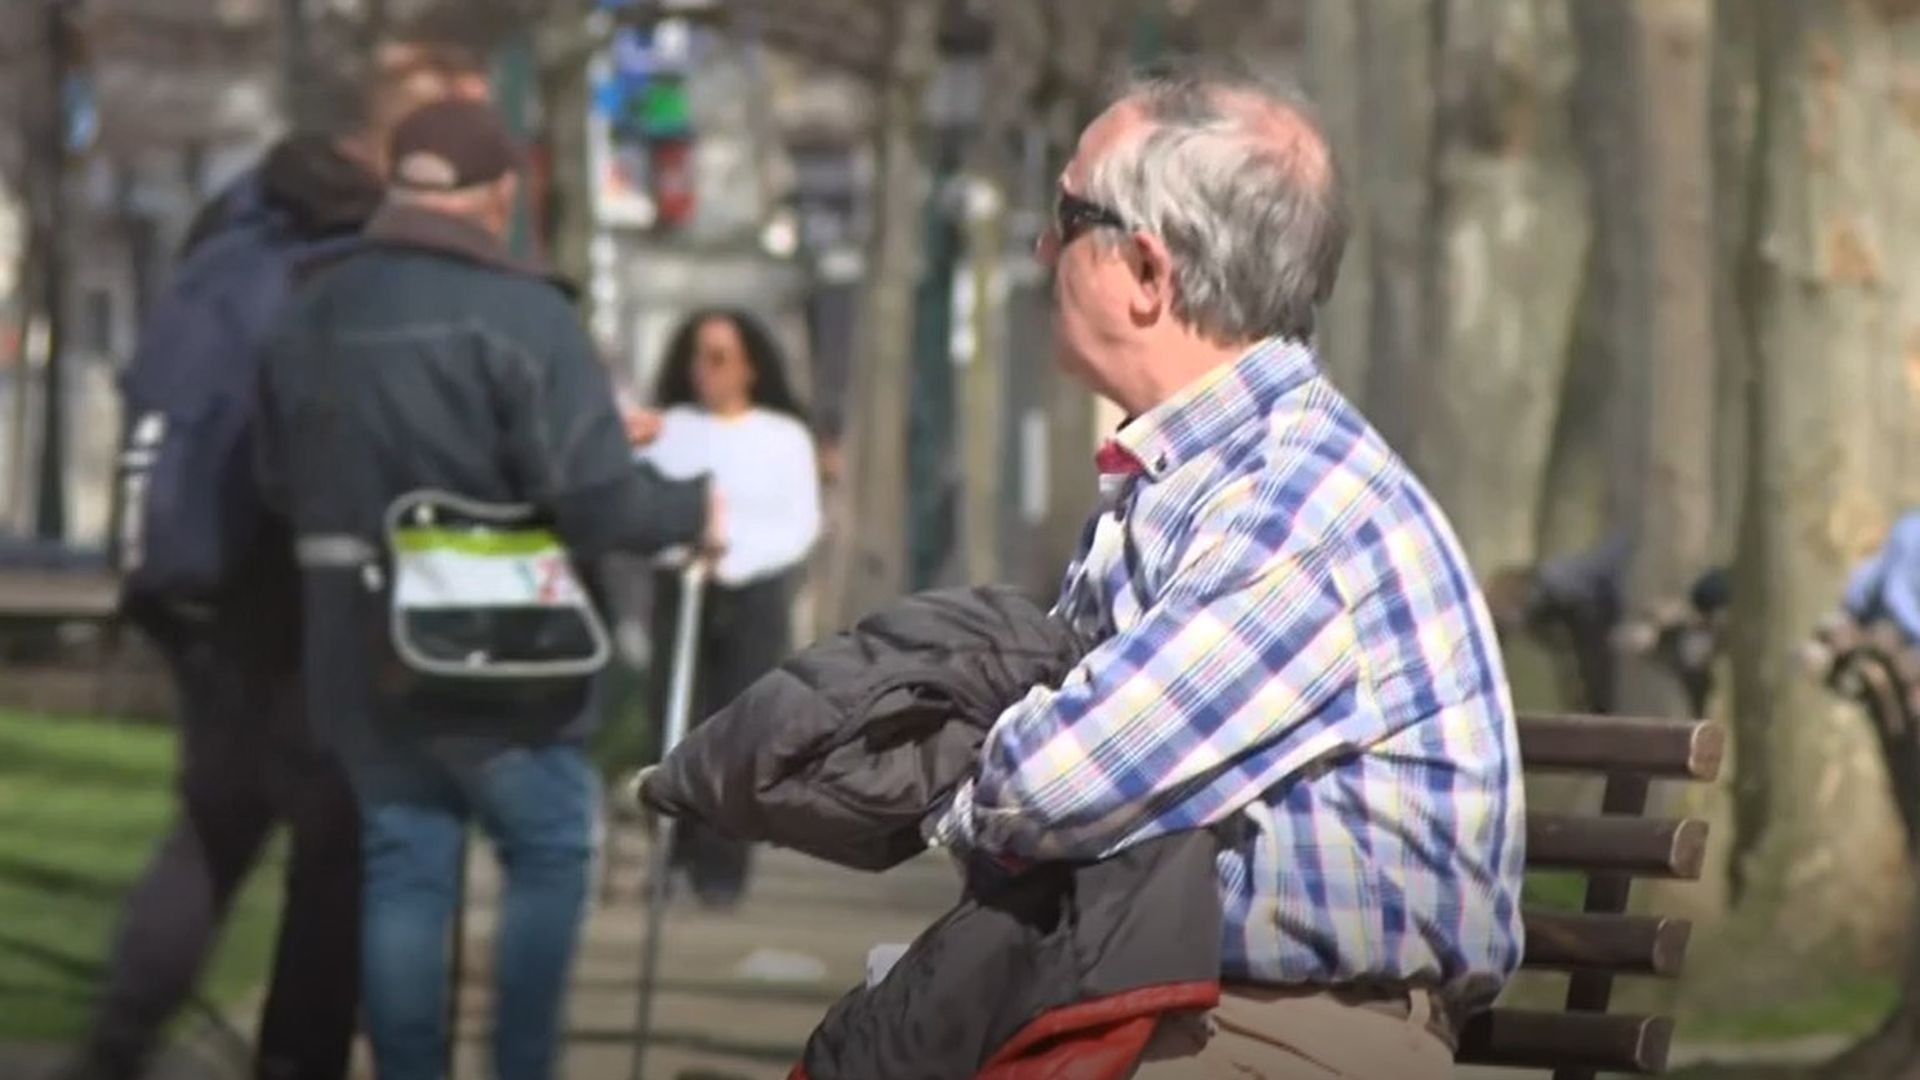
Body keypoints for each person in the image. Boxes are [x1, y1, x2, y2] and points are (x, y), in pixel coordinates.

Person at [922, 65, 1526, 1078]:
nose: (1039, 247)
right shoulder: (1191, 478)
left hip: (1283, 1031)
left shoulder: (1295, 508)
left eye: (1064, 216)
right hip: (1167, 1006)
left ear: (1149, 273)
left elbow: (1052, 787)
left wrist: (943, 790)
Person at [254, 98, 720, 1080]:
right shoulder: (525, 315)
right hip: (495, 652)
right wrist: (685, 509)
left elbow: (273, 478)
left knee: (405, 859)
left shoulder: (311, 307)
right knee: (550, 847)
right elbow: (591, 501)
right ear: (501, 194)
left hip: (352, 645)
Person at [62, 43, 488, 1080]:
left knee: (220, 818)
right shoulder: (373, 254)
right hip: (307, 592)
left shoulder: (247, 219)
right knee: (338, 845)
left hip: (201, 575)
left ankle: (111, 1053)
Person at [627, 309, 823, 907]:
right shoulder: (670, 430)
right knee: (675, 720)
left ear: (749, 368)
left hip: (751, 591)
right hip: (682, 589)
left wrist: (732, 556)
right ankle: (671, 851)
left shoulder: (783, 438)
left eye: (719, 358)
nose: (704, 372)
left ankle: (721, 864)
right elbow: (642, 505)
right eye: (697, 357)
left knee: (738, 729)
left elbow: (799, 521)